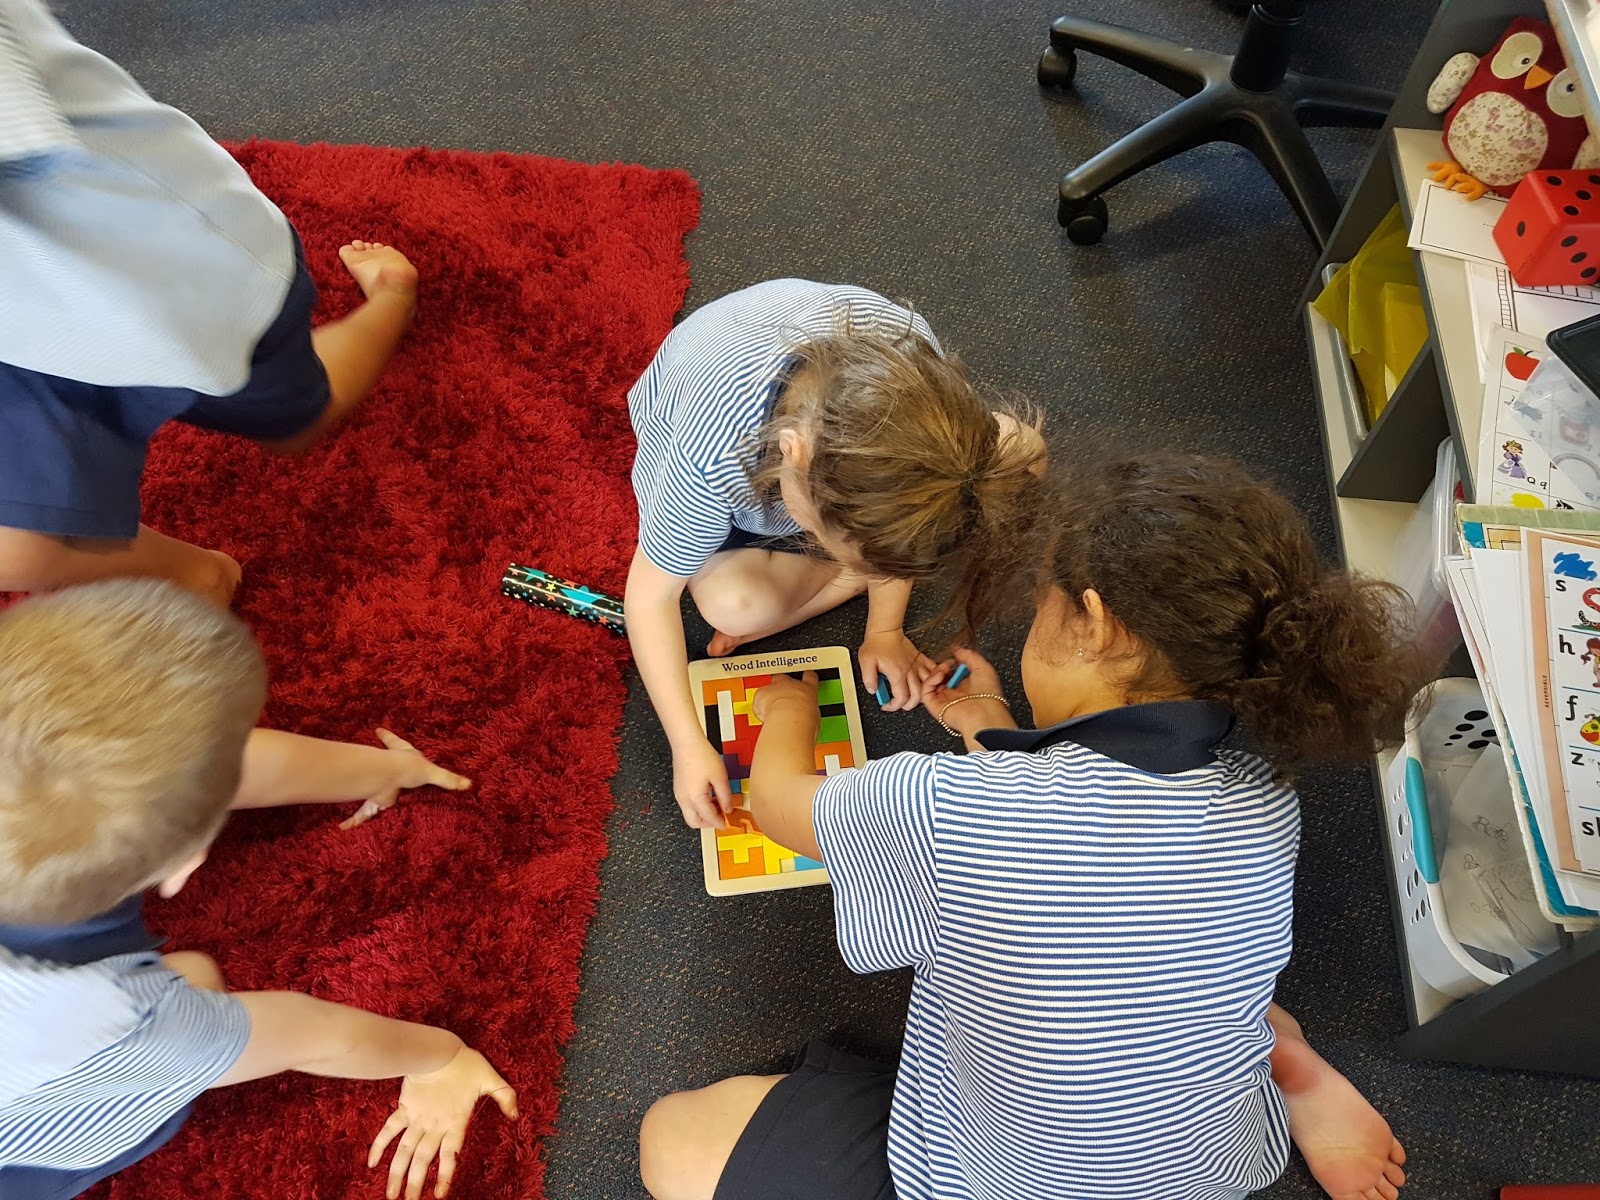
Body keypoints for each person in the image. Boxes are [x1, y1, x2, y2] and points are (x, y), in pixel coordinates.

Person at [638, 453, 1430, 1200]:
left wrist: (787, 708)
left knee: (671, 1141)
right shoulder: (1264, 793)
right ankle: (1292, 1069)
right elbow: (1071, 830)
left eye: (1043, 606)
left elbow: (780, 803)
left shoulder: (939, 809)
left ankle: (1285, 1055)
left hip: (991, 1174)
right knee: (1173, 974)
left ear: (1096, 623)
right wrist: (983, 721)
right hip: (1200, 1168)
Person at [0, 581, 515, 1200]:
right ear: (186, 864)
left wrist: (385, 771)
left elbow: (193, 766)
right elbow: (315, 1035)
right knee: (196, 982)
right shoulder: (125, 1022)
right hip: (27, 1152)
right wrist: (440, 1056)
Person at [0, 0, 419, 606]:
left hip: (157, 277)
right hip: (25, 322)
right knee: (17, 548)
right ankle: (198, 575)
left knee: (298, 426)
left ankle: (393, 297)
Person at [624, 278, 1046, 830]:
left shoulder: (916, 368)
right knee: (733, 606)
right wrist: (686, 744)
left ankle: (852, 559)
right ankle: (843, 561)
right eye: (831, 543)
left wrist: (885, 630)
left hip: (814, 443)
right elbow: (648, 600)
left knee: (1024, 450)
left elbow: (897, 504)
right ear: (792, 454)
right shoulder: (704, 463)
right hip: (712, 429)